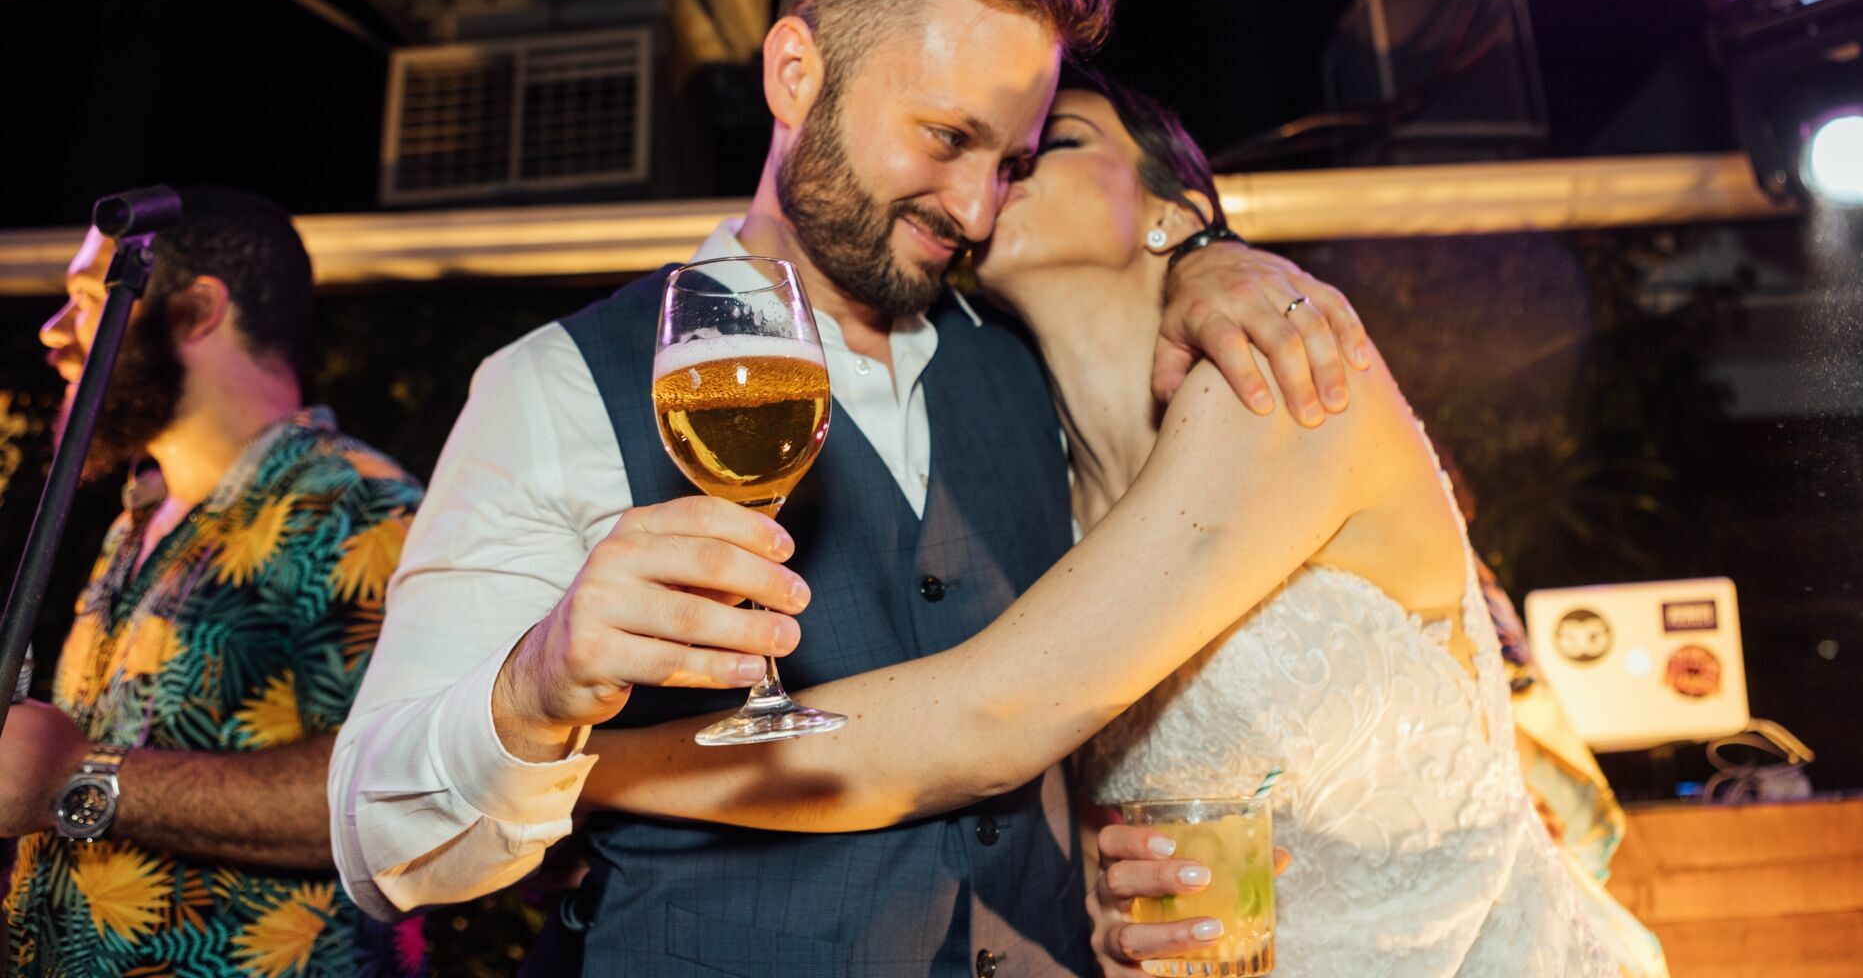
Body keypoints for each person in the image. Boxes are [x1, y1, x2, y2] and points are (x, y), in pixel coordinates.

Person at [329, 0, 1368, 976]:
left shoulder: (1028, 360)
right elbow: (378, 842)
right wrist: (533, 691)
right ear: (794, 72)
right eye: (944, 136)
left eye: (1011, 162)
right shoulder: (556, 385)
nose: (976, 209)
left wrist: (1214, 256)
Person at [575, 67, 1621, 976]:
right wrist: (1121, 939)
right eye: (989, 153)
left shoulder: (1275, 375)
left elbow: (988, 716)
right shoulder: (1048, 506)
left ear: (1171, 209)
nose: (1004, 169)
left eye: (1053, 143)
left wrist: (583, 766)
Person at [1, 188, 427, 976]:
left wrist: (75, 775)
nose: (53, 331)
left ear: (196, 312)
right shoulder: (140, 516)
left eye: (90, 301)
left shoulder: (356, 506)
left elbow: (404, 794)